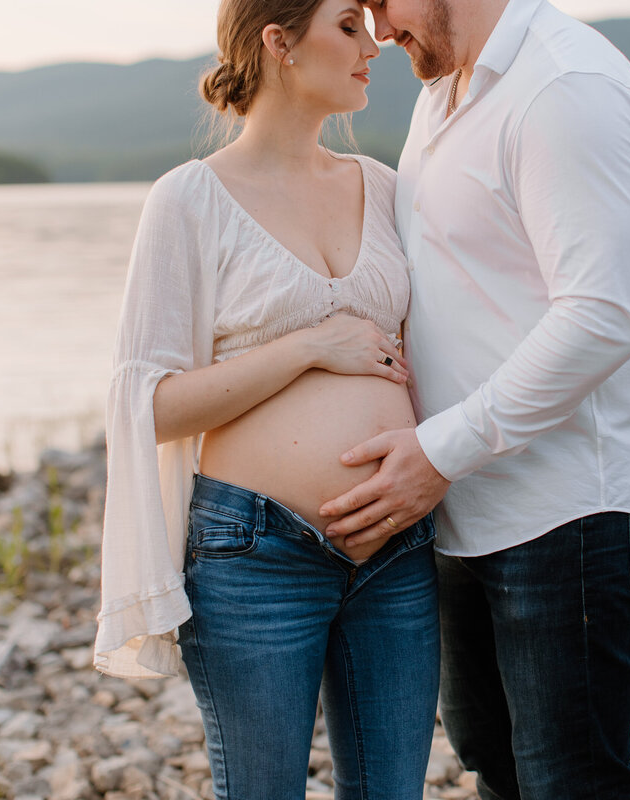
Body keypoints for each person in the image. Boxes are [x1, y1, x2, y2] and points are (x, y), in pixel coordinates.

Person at [319, 0, 630, 797]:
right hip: (464, 506)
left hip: (568, 513)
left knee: (570, 781)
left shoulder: (565, 85)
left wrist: (440, 451)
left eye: (383, 3)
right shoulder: (440, 90)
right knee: (497, 766)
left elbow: (604, 314)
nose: (378, 29)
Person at [91, 0, 440, 797]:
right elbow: (147, 406)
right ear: (279, 42)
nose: (373, 45)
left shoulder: (386, 188)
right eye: (348, 25)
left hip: (396, 543)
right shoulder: (188, 200)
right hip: (257, 558)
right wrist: (308, 346)